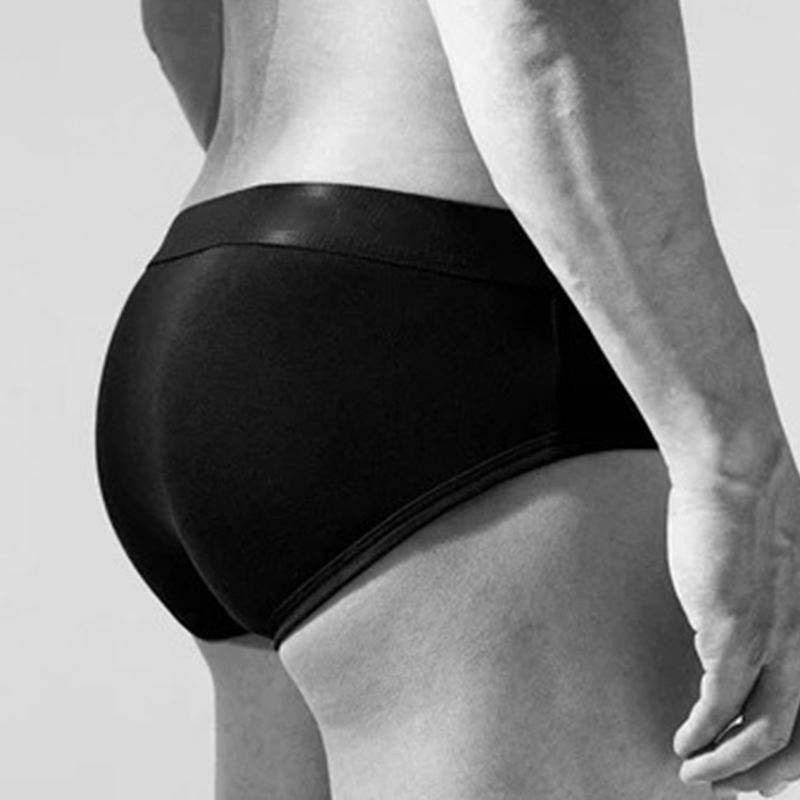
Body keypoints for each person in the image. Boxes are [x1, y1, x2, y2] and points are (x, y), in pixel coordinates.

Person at [94, 0, 800, 798]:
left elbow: (177, 20)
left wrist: (284, 302)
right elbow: (533, 26)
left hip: (213, 287)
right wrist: (735, 465)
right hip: (444, 329)